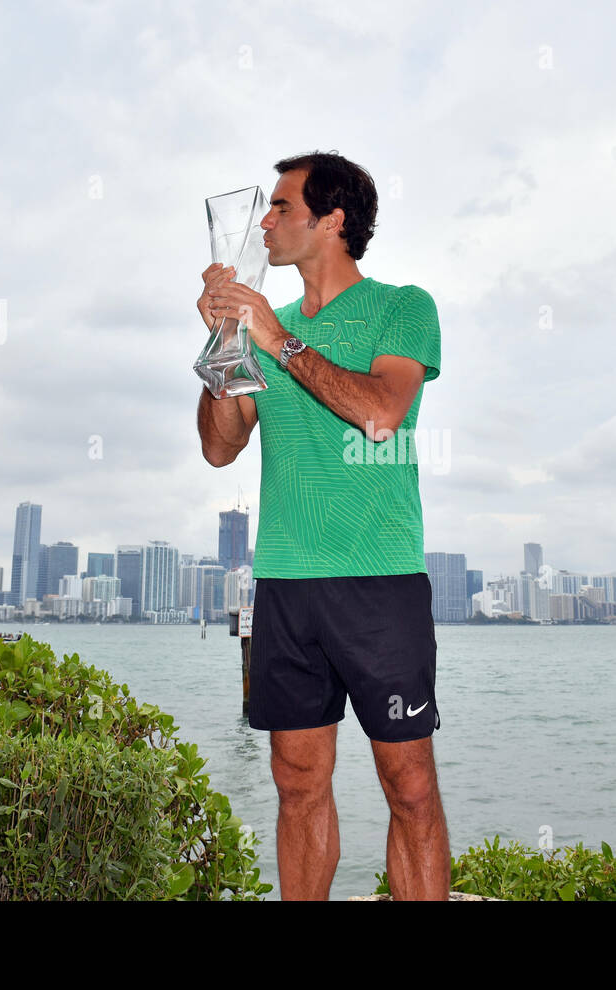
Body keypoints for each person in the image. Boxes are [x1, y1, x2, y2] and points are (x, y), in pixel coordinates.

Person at [196, 150, 449, 900]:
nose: (263, 223)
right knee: (297, 781)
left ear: (332, 220)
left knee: (408, 785)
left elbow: (379, 412)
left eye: (280, 207)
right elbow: (219, 445)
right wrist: (224, 343)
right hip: (283, 582)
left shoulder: (403, 306)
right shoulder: (259, 327)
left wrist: (274, 337)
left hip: (379, 582)